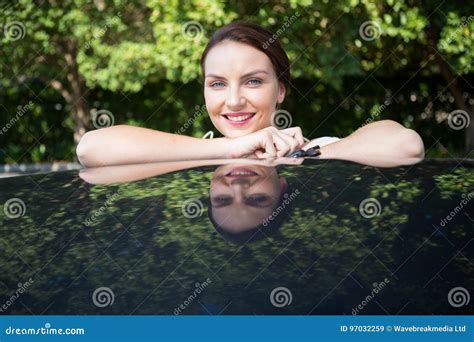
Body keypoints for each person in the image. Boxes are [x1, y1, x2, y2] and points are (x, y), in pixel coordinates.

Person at [76, 21, 424, 168]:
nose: (233, 101)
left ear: (281, 90)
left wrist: (304, 154)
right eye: (217, 84)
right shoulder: (188, 155)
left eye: (253, 81)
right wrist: (231, 148)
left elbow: (404, 145)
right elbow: (90, 148)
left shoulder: (317, 151)